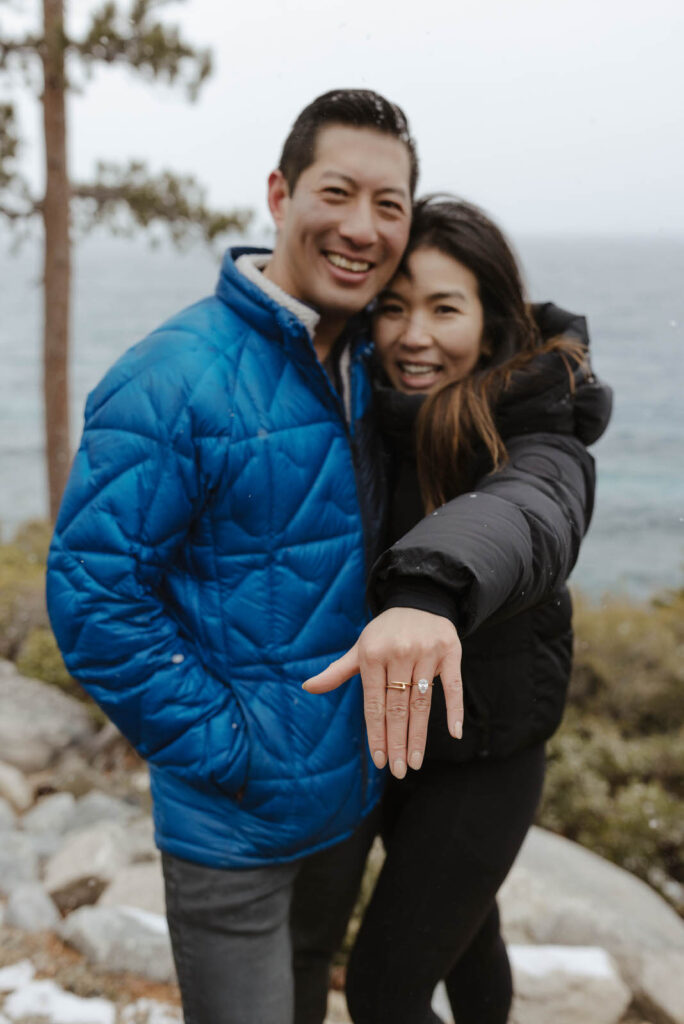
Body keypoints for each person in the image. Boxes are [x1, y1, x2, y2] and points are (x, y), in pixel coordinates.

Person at [45, 90, 462, 1024]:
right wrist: (235, 751)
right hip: (232, 830)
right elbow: (93, 600)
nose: (362, 227)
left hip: (342, 807)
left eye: (389, 205)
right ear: (279, 193)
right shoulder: (172, 377)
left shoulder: (367, 360)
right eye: (337, 192)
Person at [304, 196, 612, 1023]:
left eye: (445, 308)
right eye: (394, 308)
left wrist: (427, 590)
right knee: (471, 945)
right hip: (395, 741)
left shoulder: (541, 432)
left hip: (485, 758)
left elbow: (523, 512)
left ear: (494, 317)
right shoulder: (367, 412)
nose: (413, 336)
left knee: (381, 987)